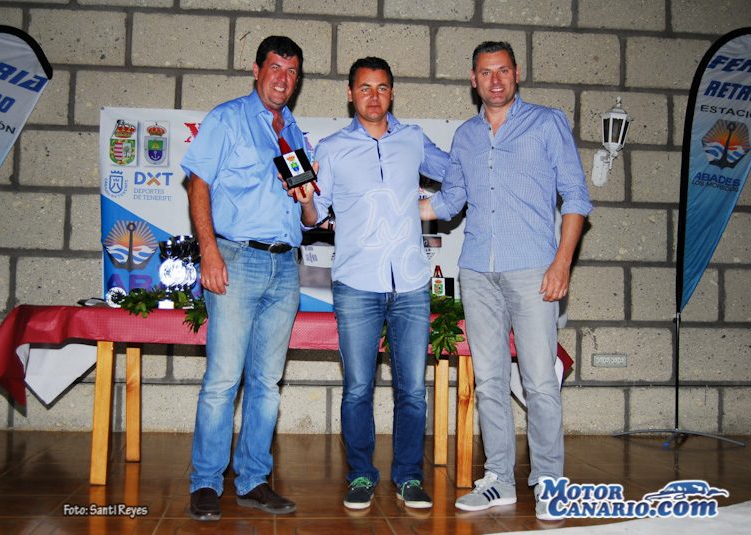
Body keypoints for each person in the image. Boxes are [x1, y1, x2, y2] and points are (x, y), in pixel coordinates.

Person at [421, 41, 592, 520]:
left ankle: (550, 481)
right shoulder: (466, 136)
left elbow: (577, 196)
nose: (494, 80)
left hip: (534, 269)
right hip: (477, 271)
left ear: (516, 73)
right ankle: (499, 479)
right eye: (485, 72)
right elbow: (449, 201)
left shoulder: (547, 122)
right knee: (490, 382)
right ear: (473, 79)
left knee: (539, 382)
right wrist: (385, 211)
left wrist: (562, 263)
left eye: (502, 71)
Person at [291, 57, 448, 510]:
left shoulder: (413, 139)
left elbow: (459, 173)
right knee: (358, 387)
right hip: (357, 282)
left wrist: (438, 207)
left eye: (381, 87)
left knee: (412, 391)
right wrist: (305, 202)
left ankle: (409, 476)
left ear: (392, 93)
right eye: (364, 88)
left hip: (411, 283)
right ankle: (361, 475)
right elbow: (313, 217)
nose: (373, 96)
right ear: (350, 93)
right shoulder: (332, 148)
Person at [180, 35, 307, 522]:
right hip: (236, 258)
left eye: (291, 71)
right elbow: (198, 184)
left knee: (267, 382)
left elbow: (305, 206)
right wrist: (209, 251)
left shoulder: (293, 131)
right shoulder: (228, 118)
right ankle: (206, 482)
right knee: (223, 379)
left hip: (285, 266)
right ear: (257, 70)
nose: (283, 78)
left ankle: (253, 479)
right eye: (275, 67)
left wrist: (315, 205)